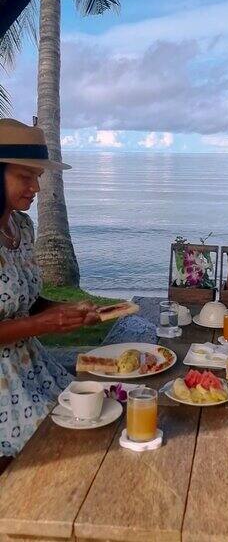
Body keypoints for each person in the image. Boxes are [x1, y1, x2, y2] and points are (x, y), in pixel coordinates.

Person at [0, 118, 100, 471]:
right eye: (25, 176)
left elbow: (29, 301)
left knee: (91, 417)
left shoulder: (22, 227)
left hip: (31, 365)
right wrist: (42, 322)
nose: (37, 188)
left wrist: (67, 310)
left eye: (38, 177)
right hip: (4, 386)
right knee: (57, 454)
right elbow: (32, 317)